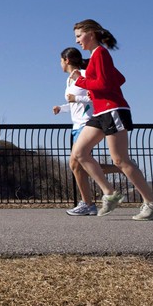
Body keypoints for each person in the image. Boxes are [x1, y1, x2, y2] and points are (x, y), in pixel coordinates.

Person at [69, 19, 153, 220]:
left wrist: (82, 80)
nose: (77, 41)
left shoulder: (101, 53)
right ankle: (110, 194)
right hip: (100, 112)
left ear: (91, 34)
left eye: (79, 36)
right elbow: (119, 79)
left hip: (113, 110)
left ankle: (152, 203)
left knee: (120, 159)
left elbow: (103, 84)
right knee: (79, 153)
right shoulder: (95, 56)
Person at [53, 47, 121, 216]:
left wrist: (76, 98)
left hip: (88, 124)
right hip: (77, 125)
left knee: (76, 162)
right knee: (78, 166)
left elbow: (94, 95)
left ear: (66, 60)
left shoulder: (83, 74)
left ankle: (90, 202)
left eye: (60, 60)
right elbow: (76, 103)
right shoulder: (69, 79)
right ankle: (120, 169)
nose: (59, 64)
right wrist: (61, 108)